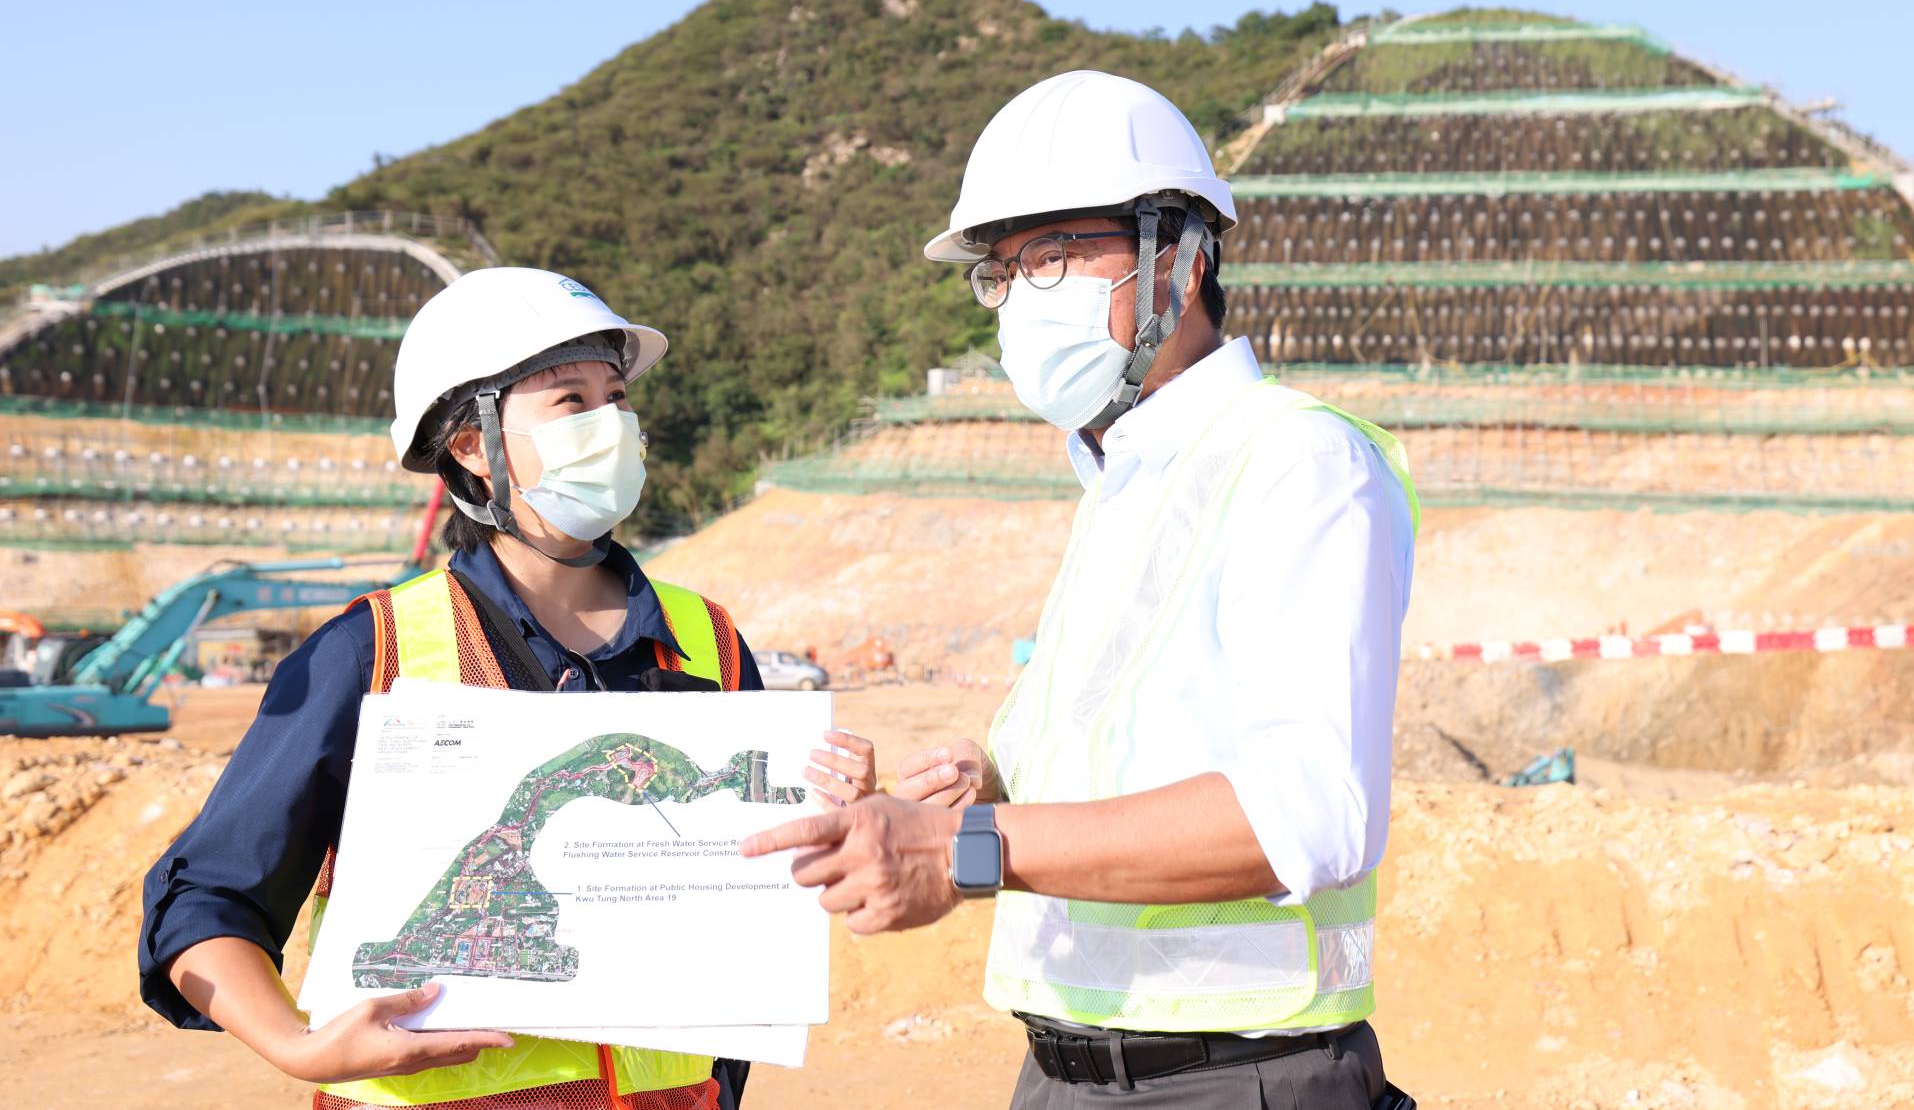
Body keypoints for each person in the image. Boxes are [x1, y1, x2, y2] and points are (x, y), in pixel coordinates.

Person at [744, 72, 1418, 1107]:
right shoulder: (1117, 484)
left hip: (1235, 1079)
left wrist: (966, 846)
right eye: (1001, 271)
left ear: (1178, 263)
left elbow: (1309, 815)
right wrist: (968, 786)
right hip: (1061, 1073)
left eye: (1054, 253)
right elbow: (1087, 778)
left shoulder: (1294, 462)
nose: (1019, 295)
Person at [140, 266, 877, 1110]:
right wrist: (297, 1048)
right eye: (570, 402)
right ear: (468, 444)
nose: (611, 425)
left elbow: (749, 896)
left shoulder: (707, 642)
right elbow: (207, 899)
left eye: (619, 397)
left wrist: (830, 815)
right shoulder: (373, 654)